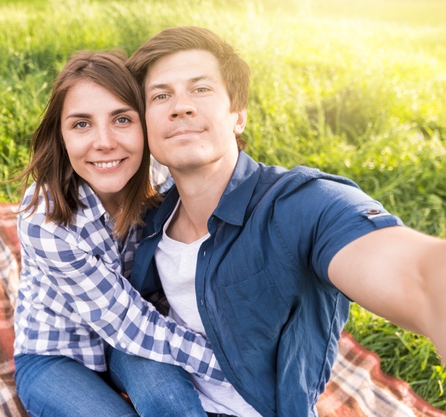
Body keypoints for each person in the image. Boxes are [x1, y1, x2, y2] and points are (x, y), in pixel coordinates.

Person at [109, 26, 446, 417]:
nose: (180, 106)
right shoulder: (150, 214)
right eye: (160, 95)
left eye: (201, 90)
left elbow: (421, 273)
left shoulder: (298, 205)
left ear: (238, 115)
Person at [12, 50, 230, 417]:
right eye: (82, 124)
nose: (104, 142)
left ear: (146, 123)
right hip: (56, 352)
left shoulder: (162, 178)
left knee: (173, 404)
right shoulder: (44, 218)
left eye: (122, 120)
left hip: (128, 340)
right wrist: (227, 368)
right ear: (61, 135)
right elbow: (127, 324)